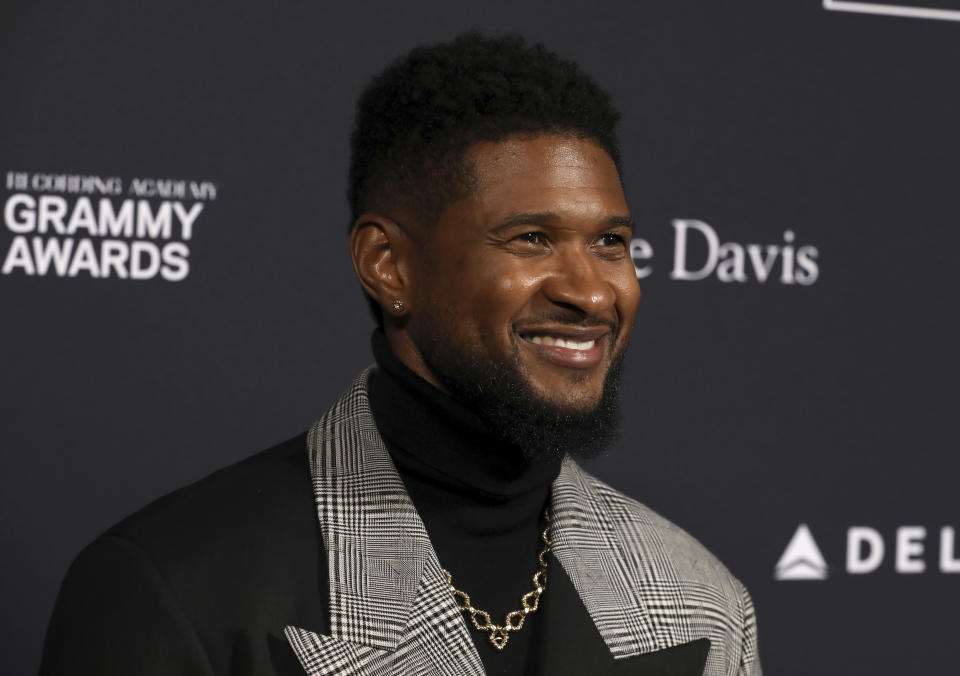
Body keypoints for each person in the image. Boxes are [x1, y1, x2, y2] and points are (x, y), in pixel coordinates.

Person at [40, 33, 761, 676]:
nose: (591, 293)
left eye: (610, 243)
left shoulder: (703, 602)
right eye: (532, 238)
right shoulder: (172, 588)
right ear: (388, 265)